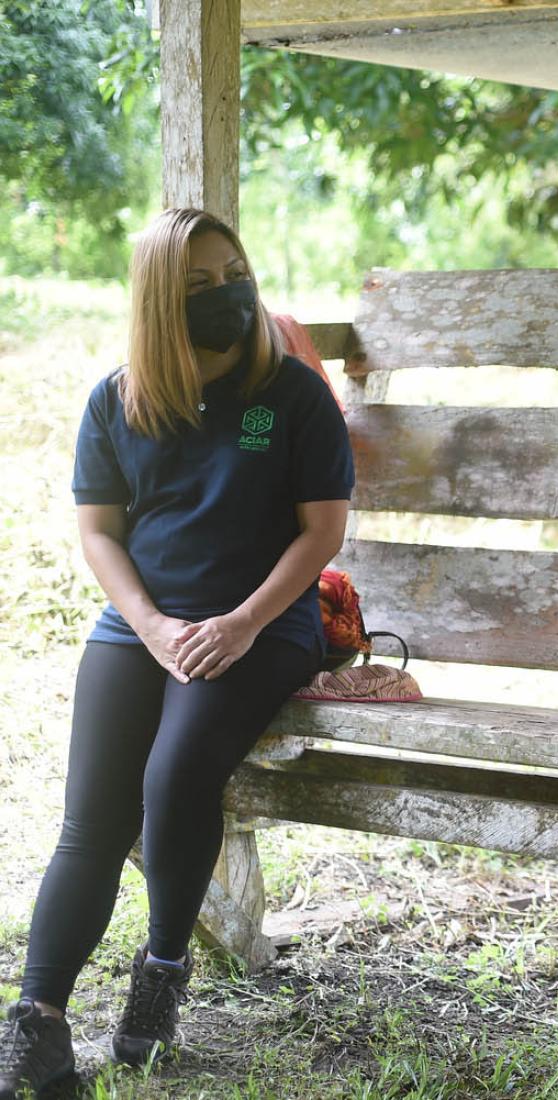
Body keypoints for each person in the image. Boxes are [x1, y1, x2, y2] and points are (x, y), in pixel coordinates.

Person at [0, 208, 353, 1098]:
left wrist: (238, 623)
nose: (224, 294)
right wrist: (153, 627)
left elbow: (321, 533)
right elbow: (100, 534)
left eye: (232, 273)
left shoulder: (291, 396)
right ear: (160, 298)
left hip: (264, 622)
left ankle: (160, 979)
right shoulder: (118, 399)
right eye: (197, 284)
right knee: (90, 819)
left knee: (174, 778)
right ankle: (37, 1023)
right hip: (143, 622)